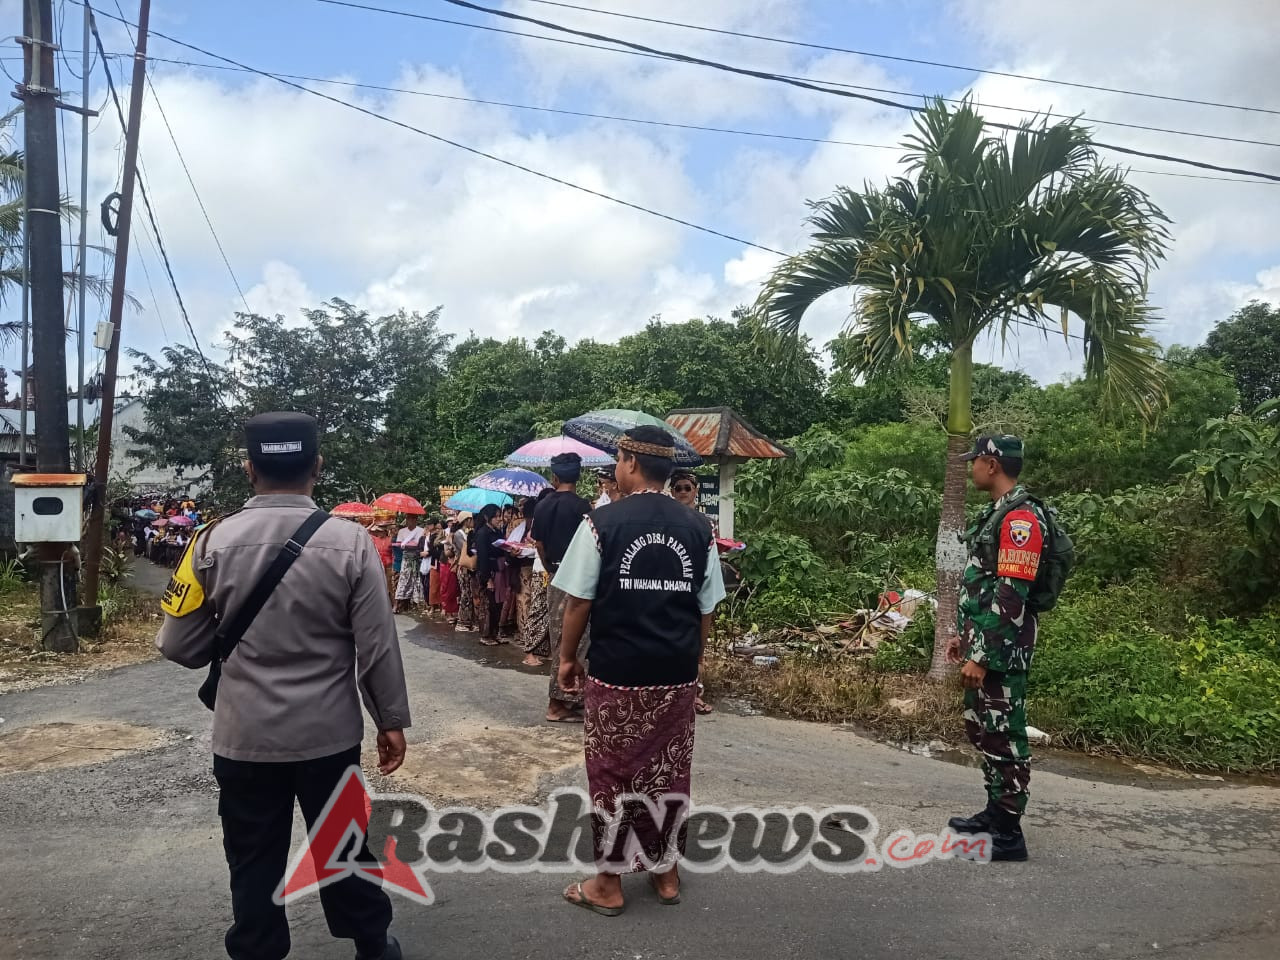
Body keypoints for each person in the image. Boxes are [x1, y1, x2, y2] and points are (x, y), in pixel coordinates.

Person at [156, 411, 408, 960]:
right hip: (329, 736)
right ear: (316, 466)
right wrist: (389, 721)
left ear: (250, 468)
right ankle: (370, 941)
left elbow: (177, 645)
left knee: (252, 854)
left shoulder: (207, 542)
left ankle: (257, 947)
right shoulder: (352, 543)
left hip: (244, 737)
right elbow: (378, 646)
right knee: (344, 844)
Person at [553, 425, 726, 916]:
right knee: (669, 771)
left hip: (617, 671)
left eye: (619, 460)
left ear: (629, 461)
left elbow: (577, 602)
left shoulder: (602, 523)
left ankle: (608, 884)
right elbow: (706, 606)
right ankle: (666, 871)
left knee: (613, 775)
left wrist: (567, 660)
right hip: (674, 671)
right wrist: (694, 659)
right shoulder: (698, 528)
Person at [944, 434, 1048, 863]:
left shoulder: (1021, 519)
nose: (971, 469)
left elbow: (1011, 595)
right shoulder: (998, 513)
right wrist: (962, 636)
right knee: (983, 730)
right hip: (983, 643)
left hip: (1001, 652)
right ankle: (994, 811)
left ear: (992, 464)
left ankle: (1008, 834)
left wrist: (982, 655)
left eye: (975, 462)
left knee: (1004, 736)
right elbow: (983, 587)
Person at [531, 453, 593, 722]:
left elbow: (539, 544)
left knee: (561, 636)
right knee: (578, 639)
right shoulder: (584, 508)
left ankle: (571, 697)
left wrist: (549, 568)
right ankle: (558, 702)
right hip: (579, 578)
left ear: (554, 477)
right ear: (577, 477)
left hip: (556, 575)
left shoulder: (542, 507)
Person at [670, 469, 715, 715]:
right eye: (679, 488)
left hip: (696, 585)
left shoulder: (705, 523)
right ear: (672, 492)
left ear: (695, 490)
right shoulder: (668, 519)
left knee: (698, 637)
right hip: (675, 587)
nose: (684, 492)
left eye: (688, 488)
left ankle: (694, 690)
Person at [474, 503, 505, 646]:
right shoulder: (482, 533)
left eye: (500, 516)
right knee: (488, 604)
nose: (499, 519)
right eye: (496, 516)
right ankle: (485, 634)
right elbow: (483, 557)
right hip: (488, 572)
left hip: (499, 570)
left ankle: (494, 633)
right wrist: (487, 579)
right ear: (487, 517)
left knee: (497, 604)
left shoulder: (497, 532)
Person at [393, 516, 426, 613]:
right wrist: (408, 543)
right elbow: (399, 544)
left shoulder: (421, 531)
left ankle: (416, 604)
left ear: (416, 520)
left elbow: (423, 544)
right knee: (403, 579)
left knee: (417, 580)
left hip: (417, 558)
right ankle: (397, 604)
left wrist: (414, 544)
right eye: (408, 519)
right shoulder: (402, 531)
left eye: (412, 519)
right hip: (406, 557)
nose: (409, 521)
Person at [453, 513, 478, 633]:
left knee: (468, 594)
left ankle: (469, 621)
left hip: (467, 568)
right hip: (463, 568)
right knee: (465, 594)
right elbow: (465, 548)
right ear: (467, 520)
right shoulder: (459, 534)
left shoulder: (465, 533)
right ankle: (463, 621)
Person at [439, 519, 460, 624]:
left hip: (455, 565)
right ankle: (448, 612)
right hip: (449, 565)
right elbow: (447, 552)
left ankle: (454, 611)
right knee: (449, 589)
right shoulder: (449, 537)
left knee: (455, 589)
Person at [369, 523, 394, 598]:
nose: (378, 533)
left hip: (389, 565)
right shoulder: (375, 539)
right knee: (379, 584)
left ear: (385, 532)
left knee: (389, 584)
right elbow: (366, 531)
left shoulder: (390, 539)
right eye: (378, 531)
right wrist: (373, 523)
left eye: (380, 531)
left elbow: (394, 553)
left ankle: (394, 603)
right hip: (379, 565)